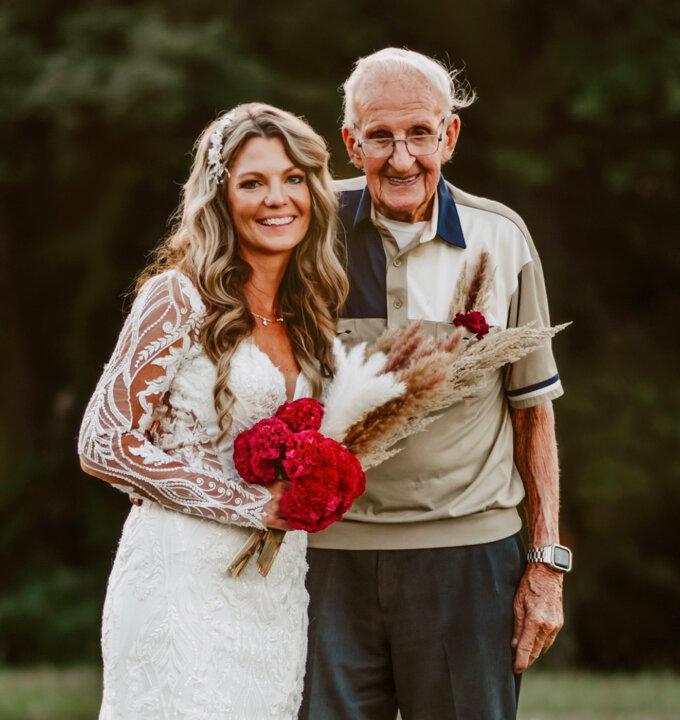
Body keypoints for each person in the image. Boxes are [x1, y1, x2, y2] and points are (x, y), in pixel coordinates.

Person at [298, 48, 568, 720]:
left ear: (450, 135)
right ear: (350, 142)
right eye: (380, 136)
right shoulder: (303, 231)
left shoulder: (501, 237)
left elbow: (533, 412)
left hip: (468, 562)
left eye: (420, 133)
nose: (402, 158)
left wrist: (546, 564)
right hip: (326, 561)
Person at [78, 103, 348, 718]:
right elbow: (103, 441)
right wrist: (251, 506)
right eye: (252, 182)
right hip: (181, 580)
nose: (277, 198)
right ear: (220, 197)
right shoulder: (178, 296)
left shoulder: (310, 315)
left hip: (274, 589)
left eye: (293, 178)